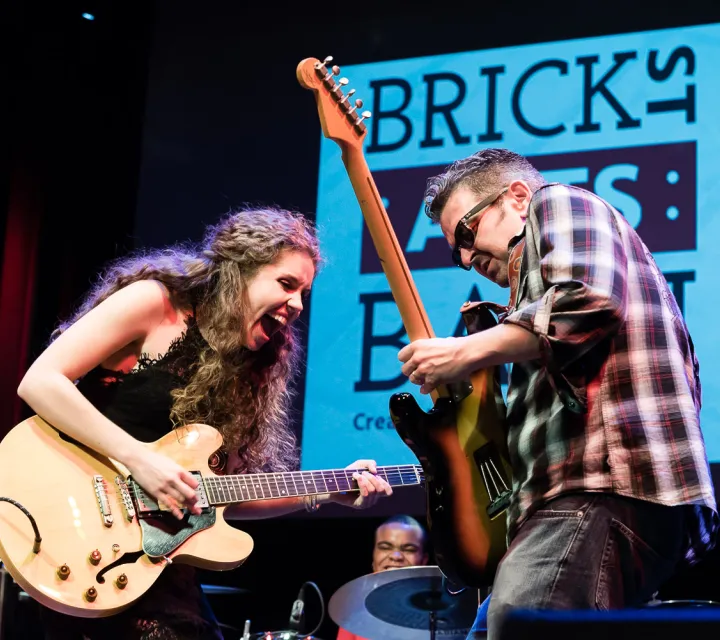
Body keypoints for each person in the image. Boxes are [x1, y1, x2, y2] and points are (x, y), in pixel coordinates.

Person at [16, 206, 393, 640]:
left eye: (304, 293)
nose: (297, 305)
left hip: (153, 562)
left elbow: (220, 497)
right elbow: (40, 382)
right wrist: (140, 460)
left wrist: (324, 492)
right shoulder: (155, 302)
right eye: (286, 284)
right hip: (74, 527)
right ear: (239, 271)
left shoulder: (253, 366)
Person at [397, 148, 718, 639]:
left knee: (525, 629)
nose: (464, 259)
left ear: (518, 198)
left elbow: (588, 299)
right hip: (573, 499)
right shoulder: (524, 302)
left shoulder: (558, 203)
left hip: (600, 485)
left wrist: (465, 351)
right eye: (454, 251)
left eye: (466, 233)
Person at [337, 515, 429, 640]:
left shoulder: (442, 613)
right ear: (374, 559)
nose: (396, 556)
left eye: (409, 549)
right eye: (385, 548)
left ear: (424, 561)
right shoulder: (354, 616)